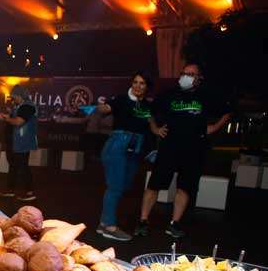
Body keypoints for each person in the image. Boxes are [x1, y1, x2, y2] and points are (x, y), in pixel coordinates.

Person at [136, 63, 231, 239]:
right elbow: (149, 111)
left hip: (194, 149)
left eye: (191, 74)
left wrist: (213, 127)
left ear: (198, 78)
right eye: (184, 73)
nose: (186, 76)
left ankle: (174, 224)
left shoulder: (206, 96)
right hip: (169, 147)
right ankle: (143, 221)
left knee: (185, 187)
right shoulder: (169, 94)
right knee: (154, 184)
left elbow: (227, 112)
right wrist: (155, 129)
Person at [94, 73, 154, 241]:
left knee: (123, 185)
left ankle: (103, 223)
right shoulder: (121, 99)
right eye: (135, 82)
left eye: (142, 83)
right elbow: (105, 109)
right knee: (115, 186)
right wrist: (101, 105)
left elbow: (149, 126)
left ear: (146, 87)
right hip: (118, 144)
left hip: (135, 148)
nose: (137, 86)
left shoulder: (146, 106)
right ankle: (110, 226)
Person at [0, 84, 37, 201]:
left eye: (14, 96)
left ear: (20, 95)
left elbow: (18, 122)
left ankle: (29, 192)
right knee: (13, 165)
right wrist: (8, 115)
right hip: (15, 141)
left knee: (22, 166)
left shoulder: (27, 107)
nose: (13, 99)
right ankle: (11, 189)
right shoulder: (20, 106)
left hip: (21, 142)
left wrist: (7, 118)